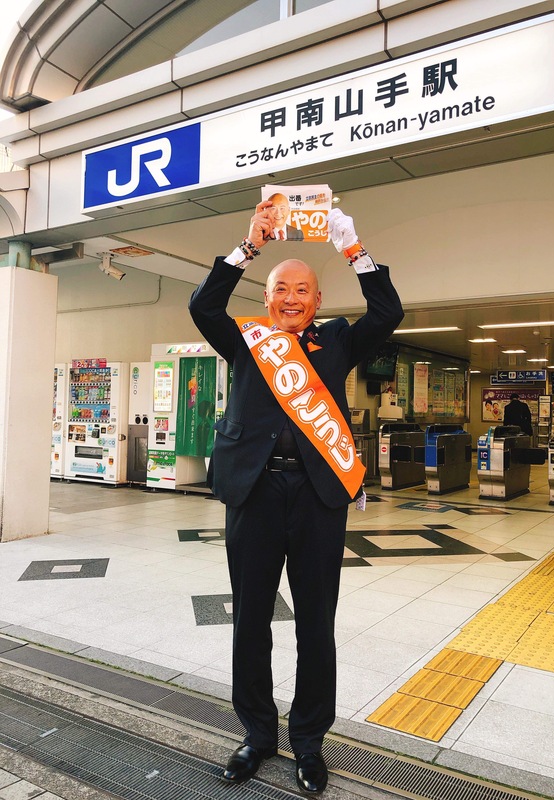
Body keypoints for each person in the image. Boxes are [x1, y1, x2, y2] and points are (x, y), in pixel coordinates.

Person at [188, 199, 403, 794]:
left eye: (302, 290)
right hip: (253, 493)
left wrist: (352, 248)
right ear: (266, 297)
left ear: (316, 299)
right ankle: (257, 735)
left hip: (317, 496)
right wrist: (248, 246)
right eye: (281, 288)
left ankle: (308, 742)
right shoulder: (245, 339)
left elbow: (389, 311)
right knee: (250, 621)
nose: (291, 298)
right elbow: (202, 306)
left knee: (315, 623)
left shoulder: (337, 341)